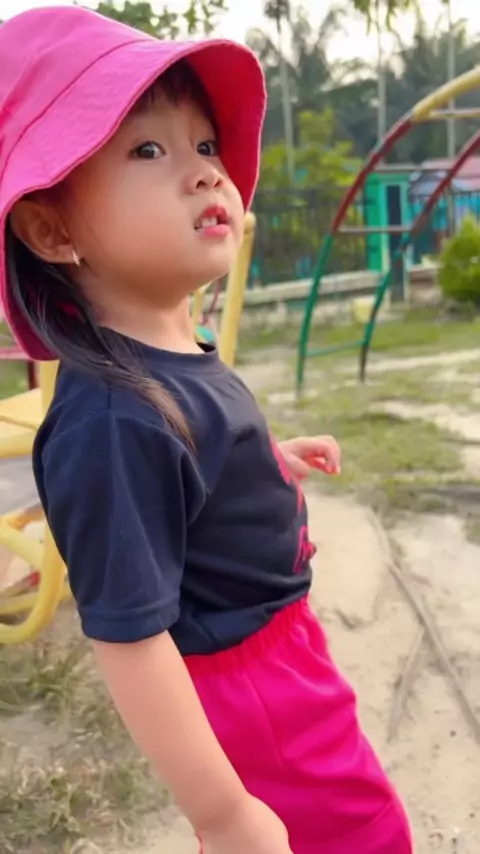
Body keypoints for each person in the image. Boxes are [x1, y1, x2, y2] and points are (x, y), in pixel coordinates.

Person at [0, 7, 413, 854]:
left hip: (281, 650)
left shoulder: (169, 347)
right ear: (52, 229)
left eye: (205, 144)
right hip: (249, 682)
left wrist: (266, 465)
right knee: (364, 834)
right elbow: (130, 637)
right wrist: (222, 814)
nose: (202, 173)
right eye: (149, 150)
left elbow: (192, 463)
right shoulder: (112, 418)